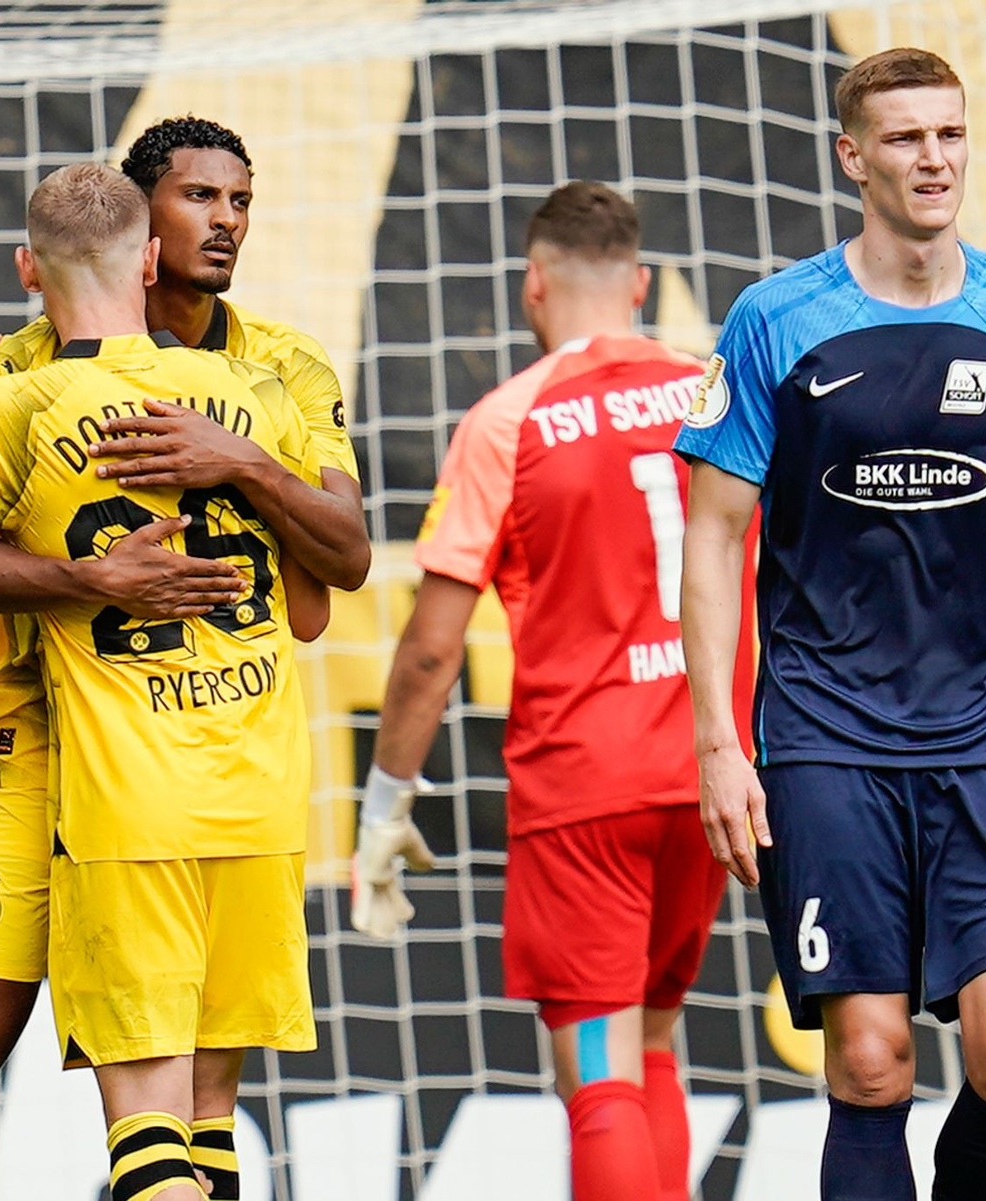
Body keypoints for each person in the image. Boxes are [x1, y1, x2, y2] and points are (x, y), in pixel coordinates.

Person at [0, 116, 368, 1201]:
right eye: (199, 199)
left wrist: (245, 467)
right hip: (38, 744)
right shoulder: (26, 364)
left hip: (175, 751)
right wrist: (90, 578)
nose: (226, 221)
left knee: (196, 1082)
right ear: (142, 227)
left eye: (240, 200)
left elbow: (342, 561)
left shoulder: (280, 369)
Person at [355, 181, 753, 1201]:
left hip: (587, 787)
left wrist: (386, 797)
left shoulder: (508, 420)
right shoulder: (714, 391)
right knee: (653, 1032)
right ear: (644, 282)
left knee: (598, 1073)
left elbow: (432, 650)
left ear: (533, 286)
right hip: (709, 774)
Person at [675, 47, 986, 1201]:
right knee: (870, 1062)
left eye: (950, 133)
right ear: (853, 158)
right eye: (906, 138)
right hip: (827, 738)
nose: (935, 158)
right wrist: (718, 742)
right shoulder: (776, 318)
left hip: (979, 734)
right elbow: (712, 539)